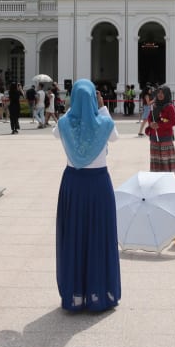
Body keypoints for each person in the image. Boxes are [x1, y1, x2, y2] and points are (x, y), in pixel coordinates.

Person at [52, 79, 120, 311]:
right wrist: (101, 107)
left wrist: (74, 108)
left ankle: (76, 295)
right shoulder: (104, 124)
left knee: (73, 237)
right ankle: (101, 293)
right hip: (99, 185)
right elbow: (115, 136)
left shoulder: (64, 124)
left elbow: (58, 129)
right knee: (99, 236)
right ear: (94, 97)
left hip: (73, 184)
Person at [147, 85, 175, 180]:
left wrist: (159, 125)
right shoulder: (154, 105)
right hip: (154, 136)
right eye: (158, 92)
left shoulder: (170, 107)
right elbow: (150, 118)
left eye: (162, 93)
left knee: (166, 160)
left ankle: (169, 180)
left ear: (167, 94)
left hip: (166, 137)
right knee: (156, 159)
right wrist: (151, 124)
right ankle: (156, 180)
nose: (160, 95)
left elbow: (173, 122)